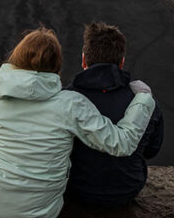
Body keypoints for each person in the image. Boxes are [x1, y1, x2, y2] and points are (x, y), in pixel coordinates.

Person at [0, 27, 156, 218]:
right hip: (37, 217)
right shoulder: (71, 104)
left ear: (16, 58)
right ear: (57, 65)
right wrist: (144, 98)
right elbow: (122, 144)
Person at [66, 22, 164, 207]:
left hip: (75, 189)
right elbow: (152, 150)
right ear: (121, 62)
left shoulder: (64, 100)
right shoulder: (144, 103)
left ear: (84, 60)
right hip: (126, 190)